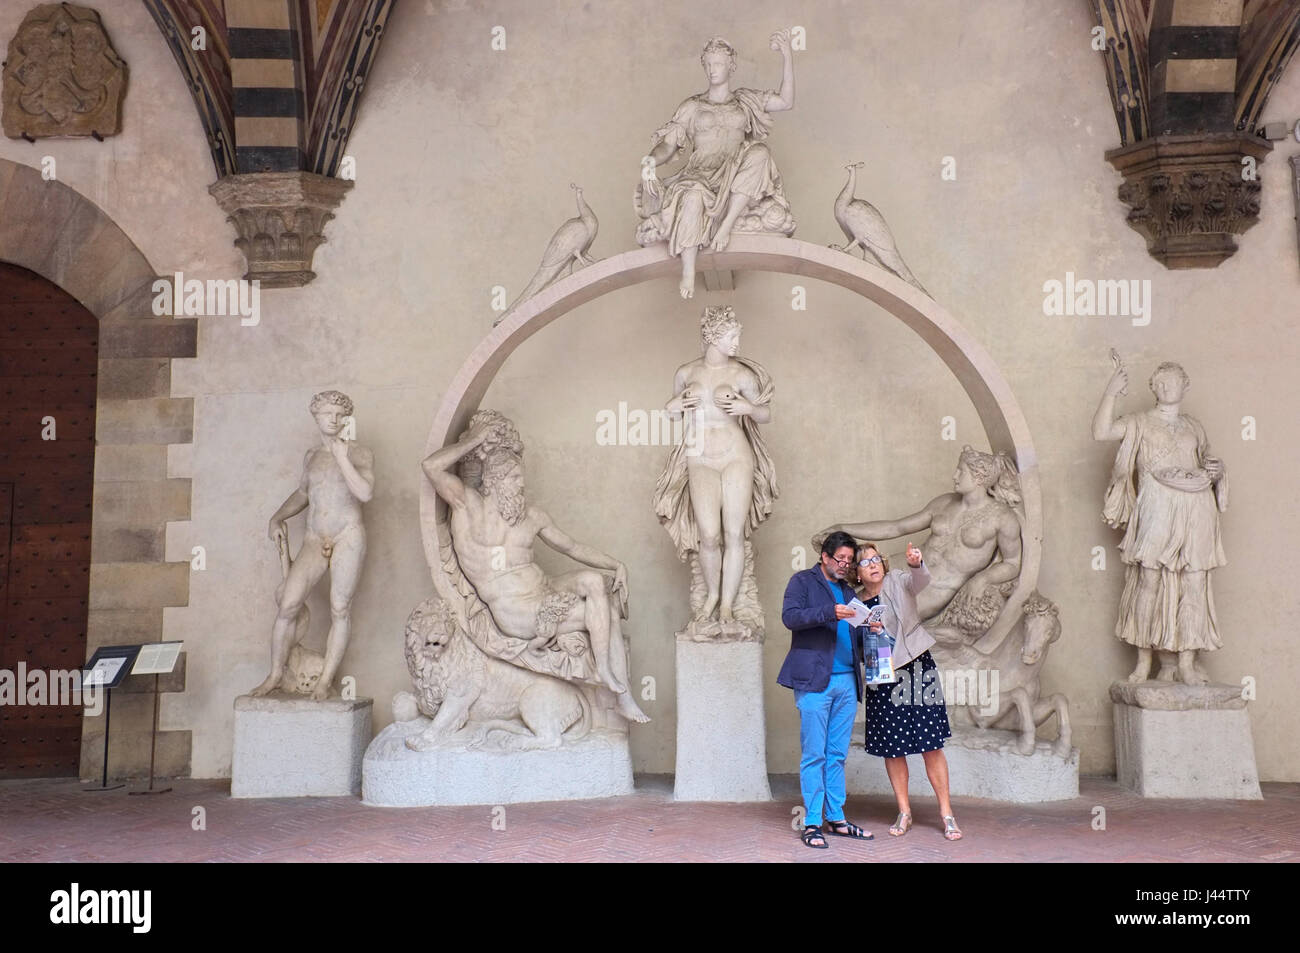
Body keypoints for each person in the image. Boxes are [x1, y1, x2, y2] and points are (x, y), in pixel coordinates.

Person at [422, 413, 649, 723]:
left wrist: (616, 564)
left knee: (595, 581)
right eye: (514, 478)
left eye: (521, 477)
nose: (521, 484)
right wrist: (475, 437)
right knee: (605, 613)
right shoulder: (467, 505)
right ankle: (620, 693)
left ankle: (610, 677)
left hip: (545, 588)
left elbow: (570, 546)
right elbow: (431, 467)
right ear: (493, 481)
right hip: (516, 611)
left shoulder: (532, 516)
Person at [1093, 359, 1227, 684]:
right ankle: (1143, 661)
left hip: (1195, 509)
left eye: (1174, 381)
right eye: (1161, 382)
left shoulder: (1194, 426)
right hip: (1156, 506)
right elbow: (1101, 432)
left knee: (1193, 583)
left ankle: (1185, 662)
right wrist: (1110, 394)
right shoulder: (1139, 421)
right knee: (1148, 582)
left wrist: (1218, 471)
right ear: (1153, 387)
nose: (1167, 387)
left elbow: (1208, 462)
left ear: (1185, 386)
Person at [636, 33, 797, 298]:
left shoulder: (745, 101)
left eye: (718, 64)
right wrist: (650, 161)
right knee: (692, 195)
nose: (713, 70)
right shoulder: (693, 106)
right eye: (708, 64)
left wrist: (787, 56)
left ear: (731, 66)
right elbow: (668, 144)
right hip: (700, 173)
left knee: (760, 154)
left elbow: (786, 101)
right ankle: (688, 270)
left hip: (733, 171)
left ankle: (725, 226)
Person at [816, 445, 1022, 646]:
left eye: (962, 471)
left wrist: (983, 578)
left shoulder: (1002, 518)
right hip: (899, 569)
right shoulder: (944, 503)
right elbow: (896, 528)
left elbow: (1013, 562)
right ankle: (830, 671)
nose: (955, 476)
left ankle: (852, 675)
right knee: (842, 614)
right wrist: (843, 529)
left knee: (870, 630)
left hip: (933, 589)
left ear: (979, 477)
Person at [655, 305, 776, 625]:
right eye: (732, 336)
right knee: (708, 535)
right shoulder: (686, 372)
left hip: (736, 454)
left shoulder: (741, 374)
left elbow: (765, 413)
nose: (736, 343)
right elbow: (670, 413)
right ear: (713, 336)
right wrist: (674, 404)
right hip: (700, 456)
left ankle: (727, 604)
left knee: (733, 533)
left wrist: (746, 406)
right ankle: (711, 595)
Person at [252, 391, 373, 700]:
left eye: (338, 414)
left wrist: (343, 457)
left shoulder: (360, 453)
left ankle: (324, 681)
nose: (333, 419)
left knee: (340, 607)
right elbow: (304, 494)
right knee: (289, 604)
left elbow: (364, 493)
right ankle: (276, 674)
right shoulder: (311, 456)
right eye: (327, 414)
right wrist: (277, 517)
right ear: (316, 417)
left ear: (346, 419)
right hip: (314, 537)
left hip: (347, 534)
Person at [854, 540, 962, 841]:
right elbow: (856, 648)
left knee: (931, 744)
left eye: (876, 559)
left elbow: (920, 581)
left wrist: (916, 563)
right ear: (857, 573)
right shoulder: (856, 604)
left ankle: (947, 813)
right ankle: (904, 811)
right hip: (882, 675)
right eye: (865, 562)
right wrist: (869, 633)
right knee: (893, 746)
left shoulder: (898, 579)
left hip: (916, 667)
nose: (873, 564)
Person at [777, 531, 874, 848]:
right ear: (825, 557)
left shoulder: (848, 590)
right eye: (840, 559)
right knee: (815, 754)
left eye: (849, 560)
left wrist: (870, 626)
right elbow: (790, 618)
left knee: (836, 755)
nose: (845, 564)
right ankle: (813, 823)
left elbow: (850, 634)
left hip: (847, 681)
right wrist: (828, 612)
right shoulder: (802, 582)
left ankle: (837, 818)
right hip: (815, 680)